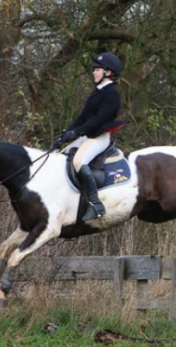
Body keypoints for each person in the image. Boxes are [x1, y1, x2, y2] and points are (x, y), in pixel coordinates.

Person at [58, 52, 123, 221]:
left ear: (107, 72)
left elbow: (99, 119)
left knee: (79, 162)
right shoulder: (98, 91)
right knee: (61, 156)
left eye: (97, 69)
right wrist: (67, 133)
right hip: (89, 135)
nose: (93, 72)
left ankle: (95, 204)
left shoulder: (112, 93)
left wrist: (78, 132)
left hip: (100, 137)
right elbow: (83, 117)